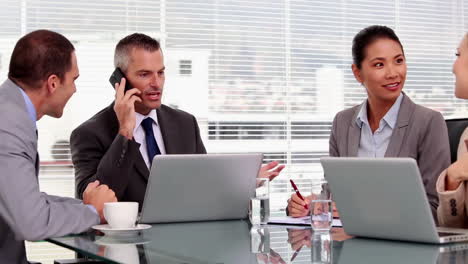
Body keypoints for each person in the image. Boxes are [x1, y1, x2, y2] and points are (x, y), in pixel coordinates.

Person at [71, 33, 284, 208]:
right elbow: (92, 204)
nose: (157, 83)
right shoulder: (89, 134)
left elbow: (204, 188)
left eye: (161, 73)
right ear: (121, 80)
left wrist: (245, 184)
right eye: (145, 74)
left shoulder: (185, 124)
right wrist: (125, 132)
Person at [287, 25, 450, 219]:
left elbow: (437, 208)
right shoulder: (342, 122)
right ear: (358, 73)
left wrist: (366, 212)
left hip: (402, 245)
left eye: (398, 61)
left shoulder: (428, 122)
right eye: (379, 64)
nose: (393, 73)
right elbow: (335, 194)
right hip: (350, 243)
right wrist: (312, 205)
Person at [0, 30, 117, 263]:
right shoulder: (8, 125)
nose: (74, 89)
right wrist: (93, 213)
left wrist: (85, 206)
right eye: (73, 79)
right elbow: (31, 222)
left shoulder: (11, 111)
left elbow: (23, 199)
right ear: (53, 83)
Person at [437, 33, 468, 227]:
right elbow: (453, 230)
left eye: (458, 55)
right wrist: (452, 178)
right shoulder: (465, 136)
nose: (453, 68)